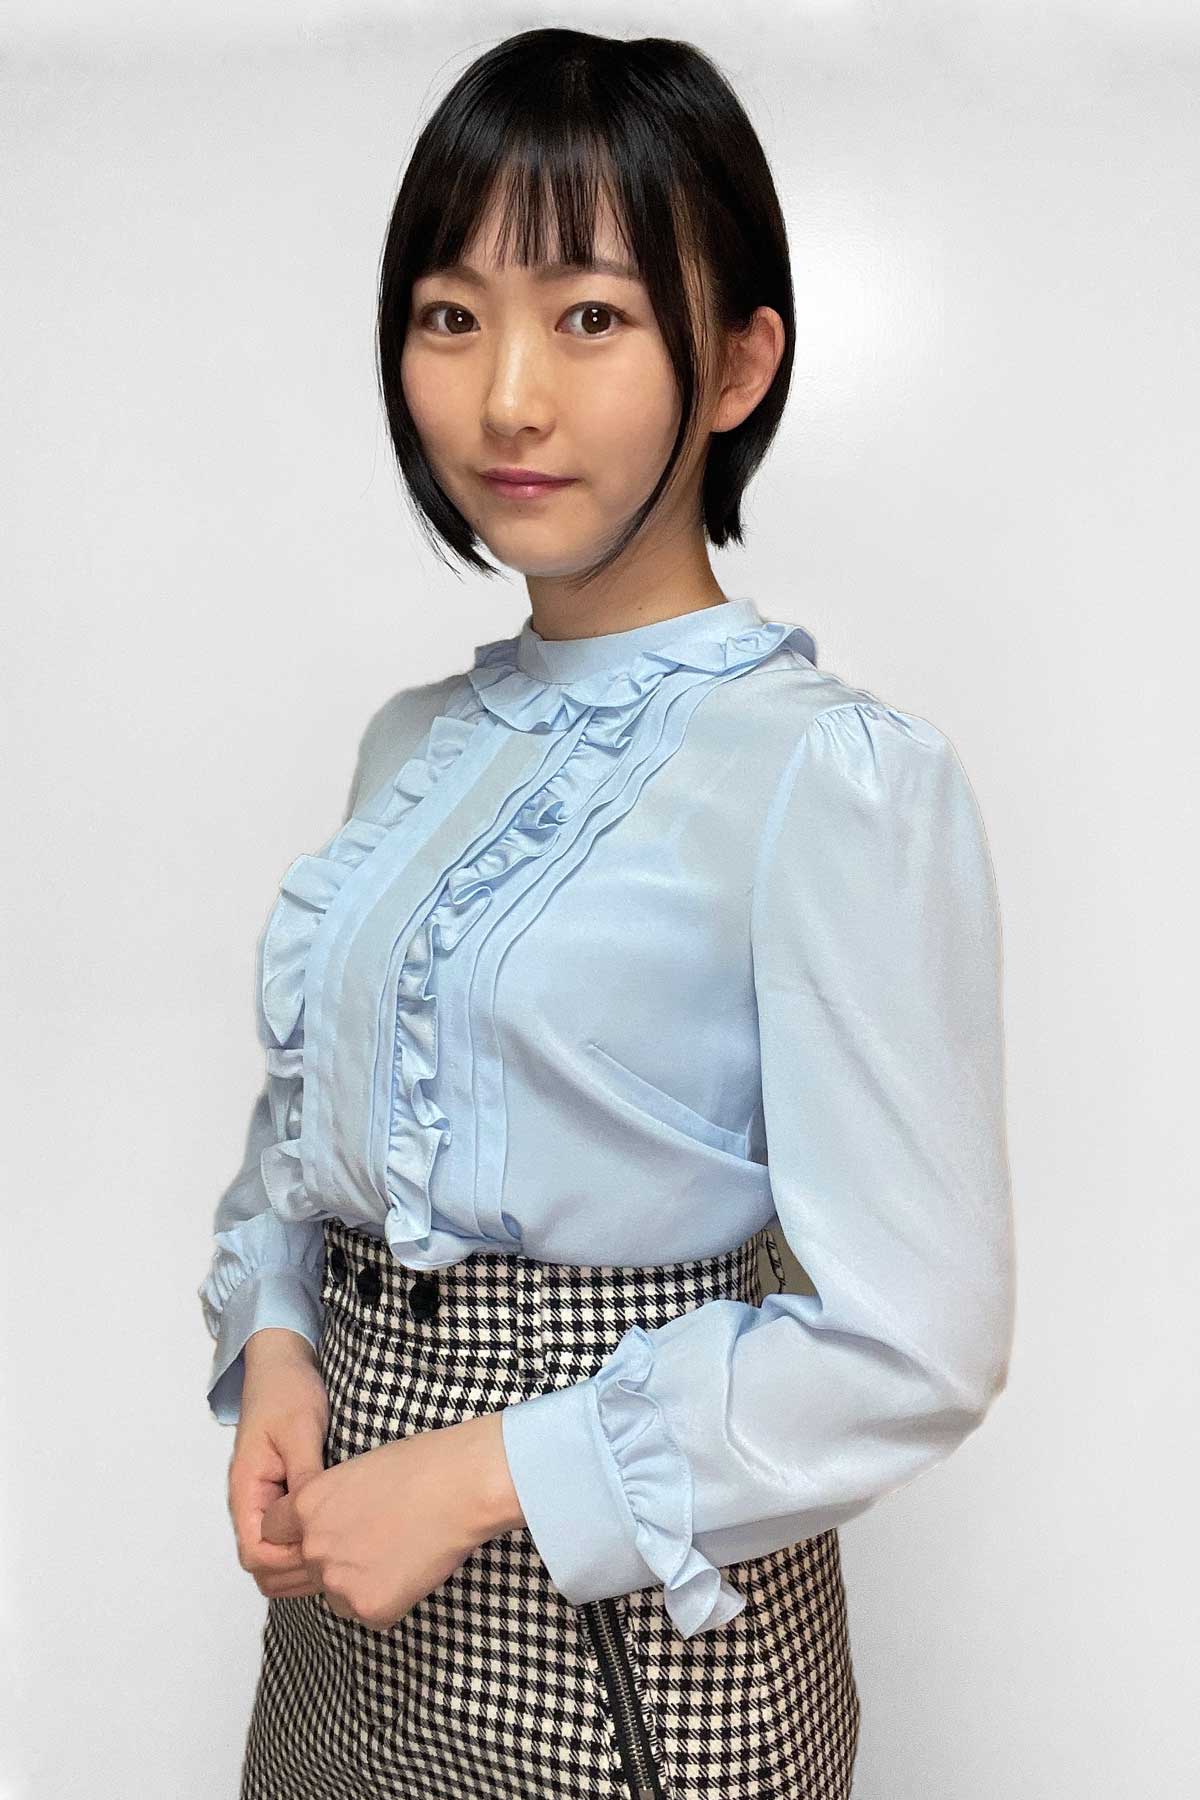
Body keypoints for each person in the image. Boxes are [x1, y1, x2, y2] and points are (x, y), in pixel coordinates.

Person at [198, 26, 1016, 1800]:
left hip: (631, 1623)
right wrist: (279, 1340)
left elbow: (915, 1342)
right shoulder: (414, 741)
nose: (507, 398)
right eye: (450, 315)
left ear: (736, 362)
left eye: (590, 316)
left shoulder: (832, 777)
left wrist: (484, 1474)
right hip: (343, 1597)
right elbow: (307, 1127)